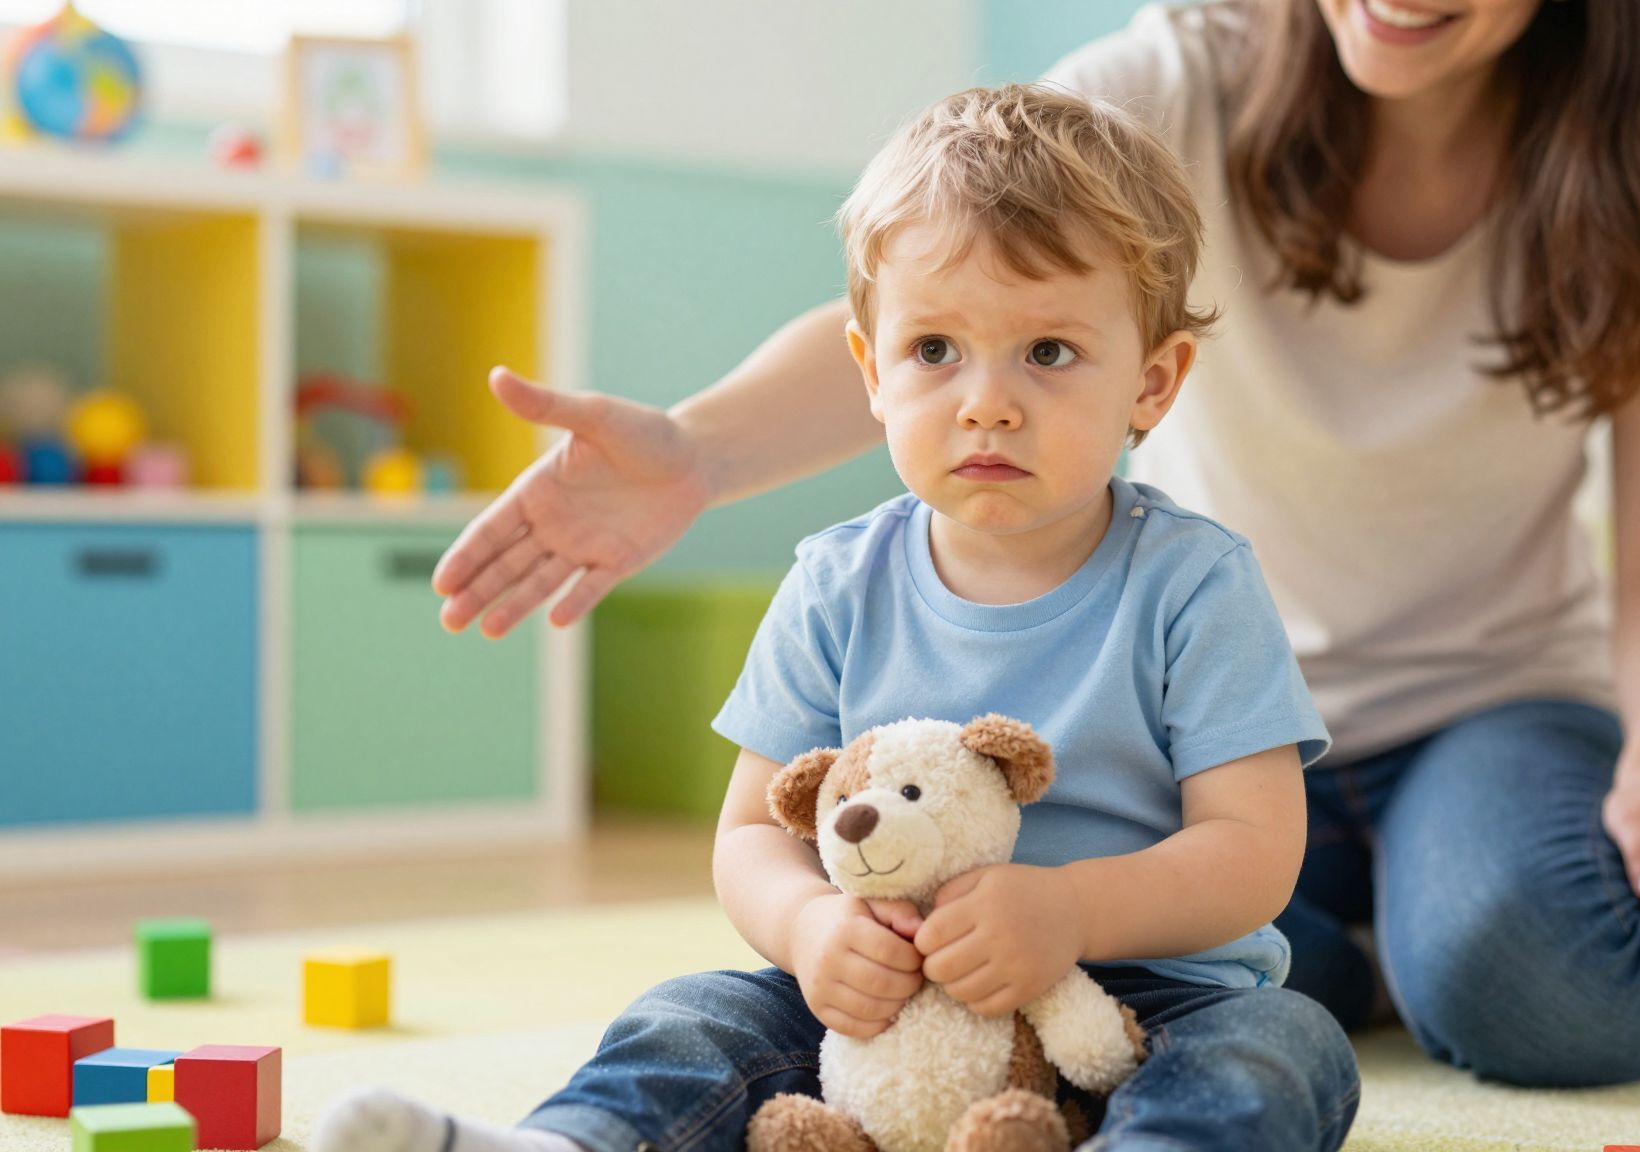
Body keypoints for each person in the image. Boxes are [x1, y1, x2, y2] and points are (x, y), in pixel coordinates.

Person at [423, 0, 1640, 1092]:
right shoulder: (1177, 79)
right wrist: (695, 450)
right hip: (1194, 737)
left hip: (1493, 701)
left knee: (1545, 983)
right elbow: (950, 288)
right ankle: (1401, 934)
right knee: (1113, 973)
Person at [313, 82, 1361, 1152]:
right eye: (934, 351)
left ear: (1153, 382)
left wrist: (1070, 914)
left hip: (1146, 998)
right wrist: (814, 929)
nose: (984, 402)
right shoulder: (833, 580)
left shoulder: (1193, 581)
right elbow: (751, 836)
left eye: (1047, 353)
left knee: (1282, 1044)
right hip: (884, 1001)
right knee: (693, 1015)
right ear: (870, 370)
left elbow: (1251, 850)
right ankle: (574, 1142)